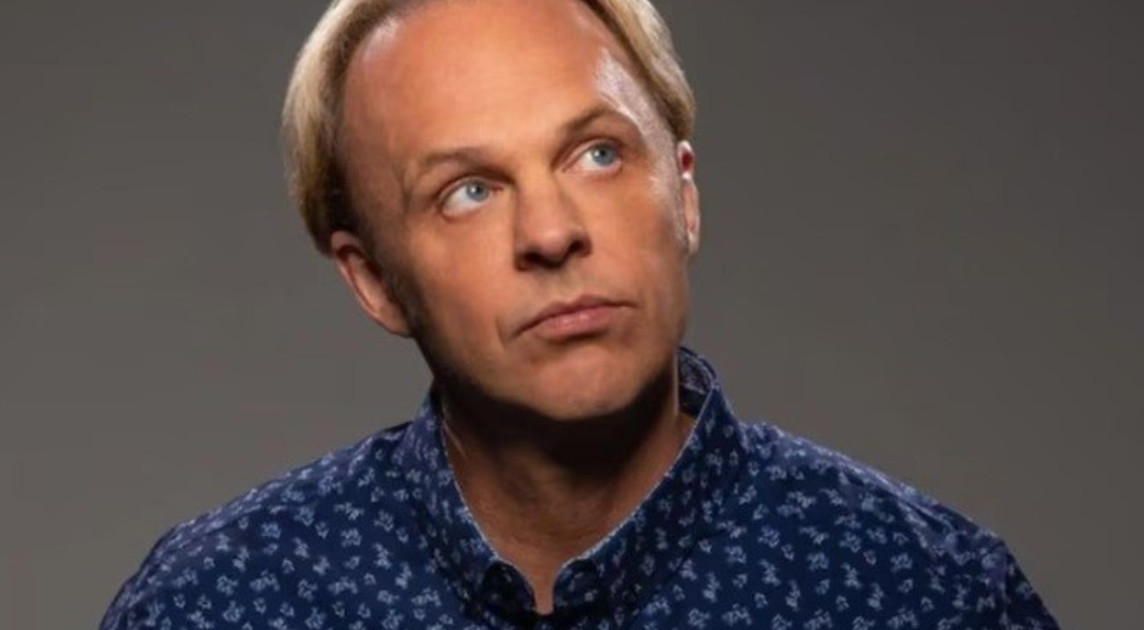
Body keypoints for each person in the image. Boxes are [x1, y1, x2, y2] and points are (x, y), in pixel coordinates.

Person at [101, 0, 1060, 628]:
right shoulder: (220, 602)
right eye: (469, 191)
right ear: (376, 281)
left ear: (684, 194)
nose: (553, 232)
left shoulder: (928, 593)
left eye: (598, 154)